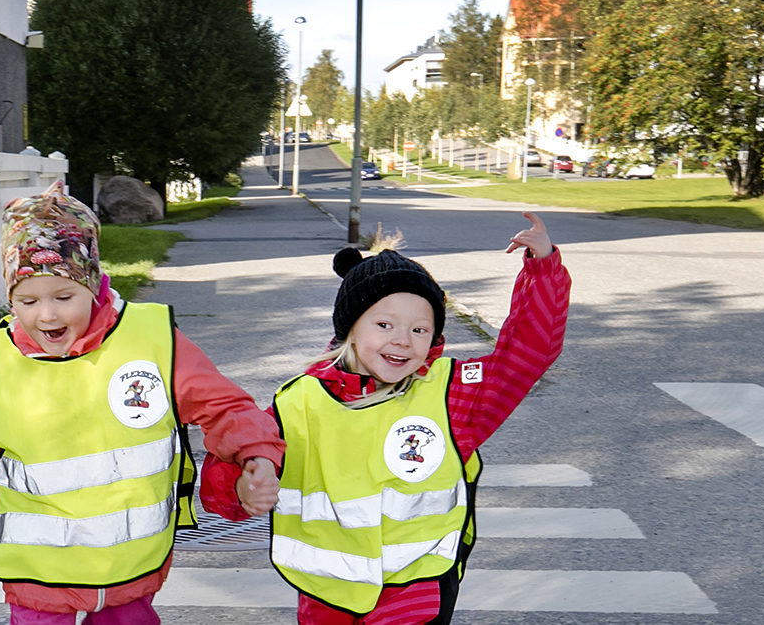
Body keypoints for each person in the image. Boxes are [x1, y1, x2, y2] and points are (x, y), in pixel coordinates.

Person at [0, 181, 286, 624]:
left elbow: (223, 406)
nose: (46, 315)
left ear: (94, 285)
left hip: (127, 567)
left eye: (63, 297)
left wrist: (255, 454)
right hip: (36, 569)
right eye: (26, 301)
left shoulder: (150, 343)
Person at [210, 211, 570, 623]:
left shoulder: (453, 395)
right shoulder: (301, 401)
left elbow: (527, 355)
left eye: (420, 329)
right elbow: (242, 456)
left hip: (416, 587)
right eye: (384, 324)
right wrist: (241, 487)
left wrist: (544, 270)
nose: (402, 339)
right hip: (327, 591)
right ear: (350, 329)